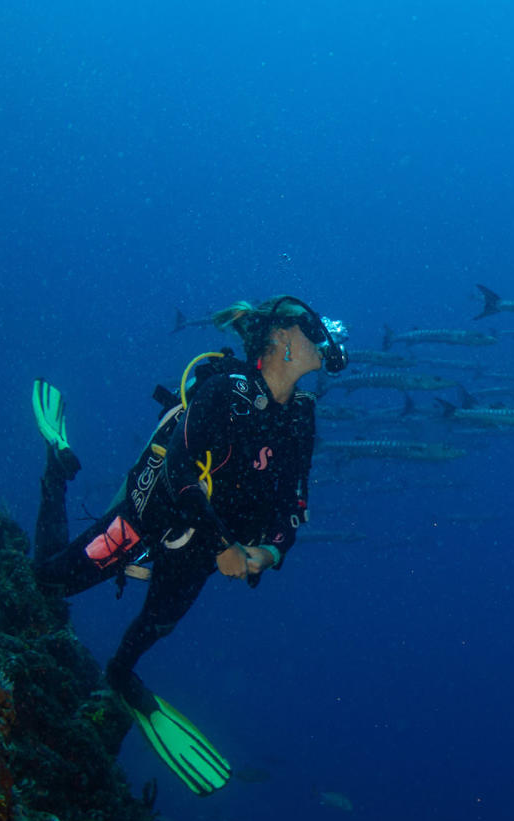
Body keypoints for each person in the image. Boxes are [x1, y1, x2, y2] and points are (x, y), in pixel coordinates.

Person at [31, 296, 348, 795]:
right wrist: (226, 546)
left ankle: (121, 674)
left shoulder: (301, 418)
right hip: (148, 519)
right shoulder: (226, 392)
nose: (326, 337)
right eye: (312, 329)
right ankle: (56, 468)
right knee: (47, 582)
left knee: (158, 623)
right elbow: (178, 471)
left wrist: (265, 553)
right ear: (283, 339)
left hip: (201, 551)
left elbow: (293, 507)